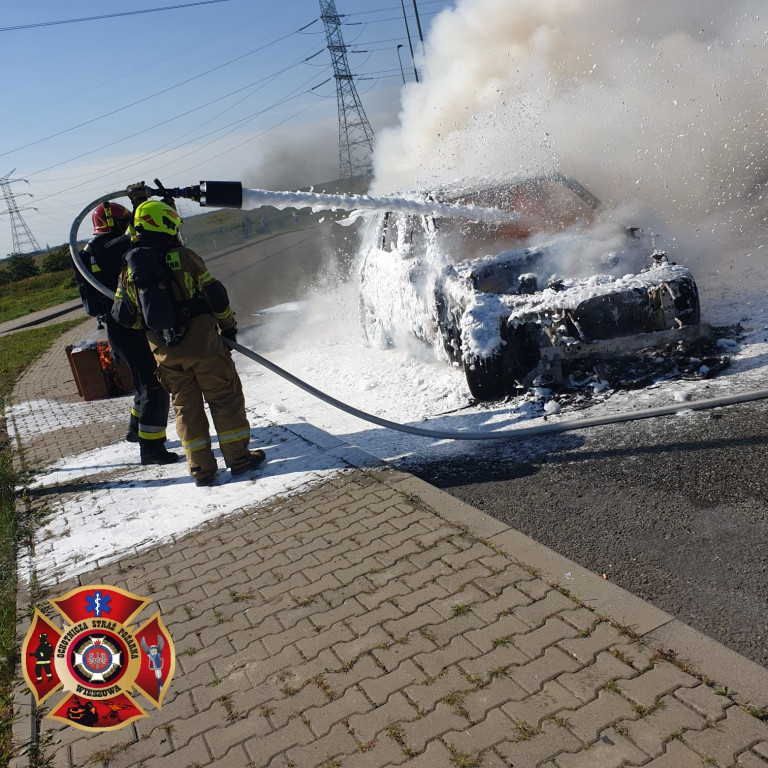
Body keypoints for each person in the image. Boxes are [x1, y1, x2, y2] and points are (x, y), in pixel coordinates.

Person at [112, 200, 266, 487]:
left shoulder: (129, 269)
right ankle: (239, 460)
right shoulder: (185, 257)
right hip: (203, 345)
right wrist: (228, 328)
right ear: (165, 225)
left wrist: (153, 330)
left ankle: (201, 469)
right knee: (224, 398)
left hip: (166, 353)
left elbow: (124, 317)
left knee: (185, 407)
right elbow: (215, 296)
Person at [73, 202, 179, 466]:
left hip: (118, 329)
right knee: (155, 385)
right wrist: (140, 205)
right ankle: (152, 448)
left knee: (142, 383)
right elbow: (140, 234)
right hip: (128, 329)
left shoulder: (93, 250)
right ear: (115, 223)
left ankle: (135, 430)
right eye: (124, 221)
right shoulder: (110, 247)